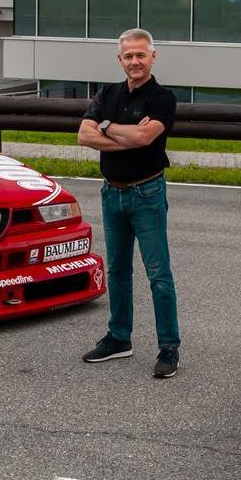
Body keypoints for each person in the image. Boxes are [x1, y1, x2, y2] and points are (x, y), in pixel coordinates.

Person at [77, 28, 181, 379]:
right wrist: (127, 134)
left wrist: (107, 128)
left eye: (141, 55)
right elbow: (83, 135)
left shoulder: (163, 99)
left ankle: (169, 347)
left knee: (158, 275)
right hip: (112, 192)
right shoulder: (107, 93)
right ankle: (119, 338)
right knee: (118, 271)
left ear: (154, 56)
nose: (135, 61)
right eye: (128, 56)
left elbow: (145, 136)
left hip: (147, 193)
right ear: (119, 60)